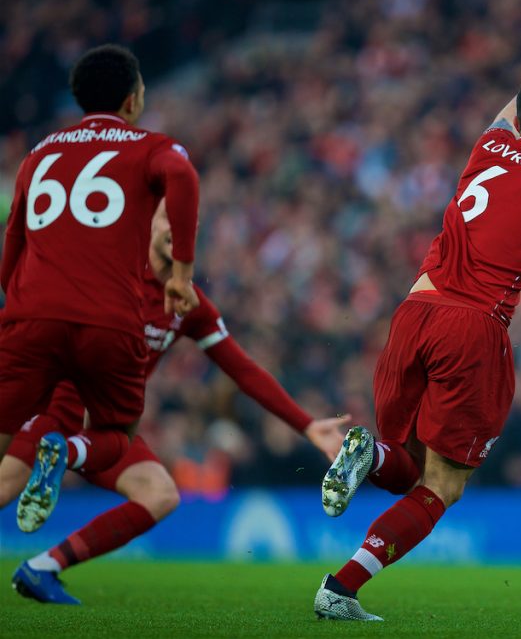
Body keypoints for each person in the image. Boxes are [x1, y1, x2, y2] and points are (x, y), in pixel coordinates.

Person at [314, 34, 521, 621]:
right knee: (442, 486)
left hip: (413, 313)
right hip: (471, 328)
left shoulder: (487, 149)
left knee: (402, 466)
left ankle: (368, 456)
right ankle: (339, 591)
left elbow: (509, 114)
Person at [1, 200, 349, 604]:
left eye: (186, 222)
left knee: (160, 494)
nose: (177, 228)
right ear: (145, 225)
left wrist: (305, 423)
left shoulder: (187, 303)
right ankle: (64, 454)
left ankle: (42, 568)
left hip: (108, 426)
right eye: (168, 217)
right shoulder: (111, 276)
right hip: (58, 409)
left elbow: (242, 369)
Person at [0, 44, 201, 533]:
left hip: (31, 319)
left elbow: (13, 245)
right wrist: (181, 273)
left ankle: (53, 448)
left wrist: (23, 307)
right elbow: (183, 175)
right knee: (117, 435)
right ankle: (67, 452)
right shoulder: (150, 147)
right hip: (108, 322)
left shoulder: (37, 155)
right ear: (132, 100)